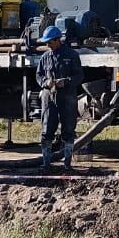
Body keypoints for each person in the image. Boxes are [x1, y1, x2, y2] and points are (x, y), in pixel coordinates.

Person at [36, 25, 81, 170]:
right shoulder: (45, 57)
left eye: (49, 42)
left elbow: (79, 76)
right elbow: (39, 75)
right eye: (46, 42)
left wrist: (66, 82)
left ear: (57, 40)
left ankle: (67, 164)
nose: (47, 45)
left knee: (68, 130)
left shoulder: (72, 55)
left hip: (67, 97)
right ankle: (46, 163)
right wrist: (45, 82)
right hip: (49, 97)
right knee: (47, 129)